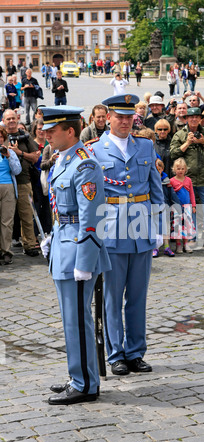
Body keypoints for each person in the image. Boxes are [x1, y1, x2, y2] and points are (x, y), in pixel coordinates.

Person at [88, 94, 165, 376]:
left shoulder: (145, 146)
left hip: (142, 227)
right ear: (107, 117)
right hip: (112, 229)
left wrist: (160, 227)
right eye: (118, 116)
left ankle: (135, 352)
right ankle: (115, 353)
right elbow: (92, 198)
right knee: (112, 296)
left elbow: (155, 188)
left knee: (137, 296)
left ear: (135, 118)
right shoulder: (95, 150)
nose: (124, 121)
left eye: (128, 116)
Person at [39, 105, 111, 405]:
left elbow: (92, 216)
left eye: (52, 131)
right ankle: (79, 375)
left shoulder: (85, 165)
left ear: (70, 131)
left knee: (76, 320)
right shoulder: (62, 161)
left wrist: (85, 261)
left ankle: (84, 384)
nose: (46, 136)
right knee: (70, 318)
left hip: (78, 251)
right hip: (64, 244)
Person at [170, 107, 204, 248]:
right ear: (186, 119)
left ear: (200, 119)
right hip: (187, 180)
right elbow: (173, 154)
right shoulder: (180, 134)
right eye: (191, 117)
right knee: (189, 210)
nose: (194, 119)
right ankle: (191, 237)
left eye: (197, 117)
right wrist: (187, 143)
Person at [3, 109, 40, 256]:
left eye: (13, 118)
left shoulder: (25, 136)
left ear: (17, 119)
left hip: (23, 181)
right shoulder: (1, 136)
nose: (11, 121)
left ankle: (30, 245)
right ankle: (4, 248)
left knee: (27, 214)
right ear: (4, 121)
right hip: (5, 182)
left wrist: (19, 153)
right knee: (5, 218)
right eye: (8, 119)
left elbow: (35, 158)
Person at [0, 126, 22, 265]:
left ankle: (6, 250)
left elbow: (17, 170)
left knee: (7, 221)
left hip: (8, 187)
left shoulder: (10, 152)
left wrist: (9, 157)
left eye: (1, 137)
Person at [170, 158, 196, 253]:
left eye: (182, 168)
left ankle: (186, 244)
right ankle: (178, 245)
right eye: (178, 168)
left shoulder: (188, 180)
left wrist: (193, 206)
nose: (180, 171)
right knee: (177, 226)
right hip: (176, 208)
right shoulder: (172, 181)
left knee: (187, 225)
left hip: (187, 207)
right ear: (174, 169)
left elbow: (192, 194)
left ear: (185, 169)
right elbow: (170, 196)